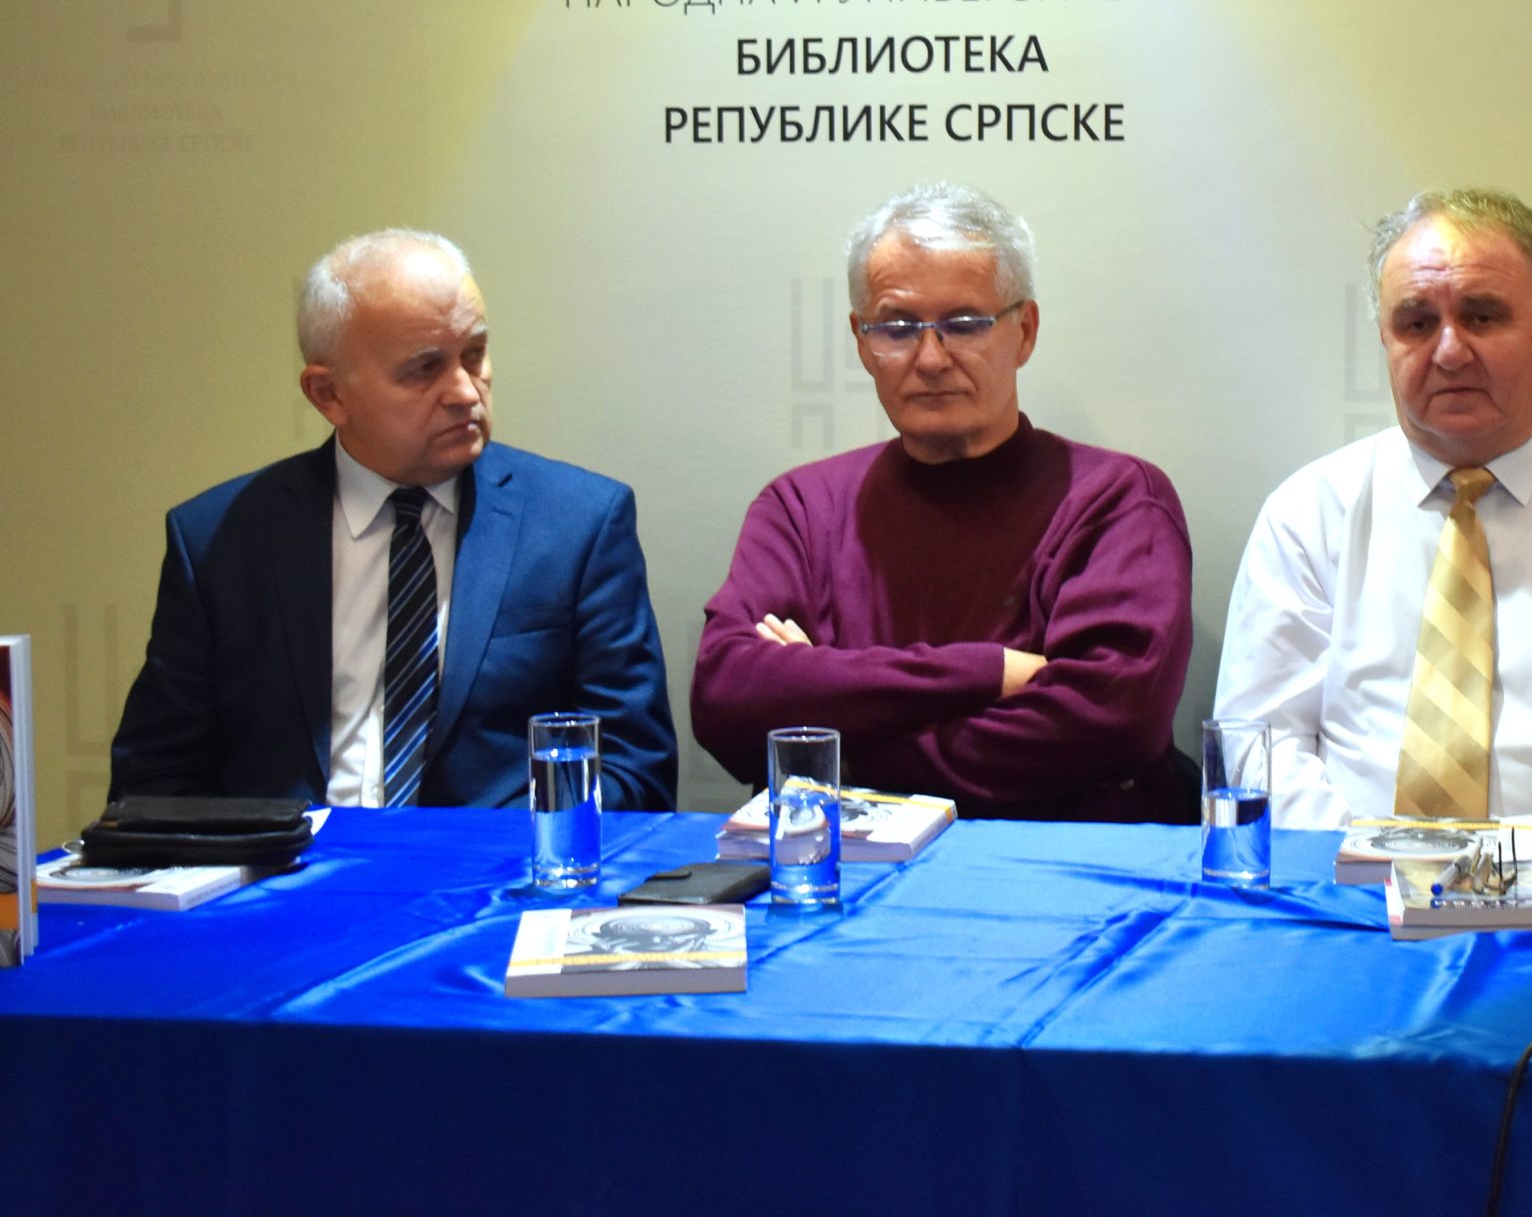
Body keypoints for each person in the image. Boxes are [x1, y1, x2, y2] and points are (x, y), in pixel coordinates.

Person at [1213, 188, 1532, 837]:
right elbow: (1259, 743)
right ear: (1385, 340)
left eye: (1482, 316)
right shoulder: (1307, 517)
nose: (1450, 351)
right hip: (1344, 888)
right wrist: (1367, 873)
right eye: (1416, 323)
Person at [110, 230, 677, 810]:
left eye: (475, 354)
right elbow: (155, 782)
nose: (465, 392)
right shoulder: (219, 540)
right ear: (328, 394)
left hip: (496, 863)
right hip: (292, 863)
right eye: (424, 369)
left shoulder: (578, 526)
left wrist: (466, 849)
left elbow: (635, 772)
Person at [690, 183, 1195, 821]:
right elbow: (727, 698)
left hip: (1059, 864)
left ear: (1024, 332)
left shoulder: (1114, 501)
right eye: (897, 328)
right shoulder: (801, 509)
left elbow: (1113, 723)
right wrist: (990, 671)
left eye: (964, 324)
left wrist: (840, 747)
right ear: (861, 341)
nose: (930, 358)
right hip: (850, 870)